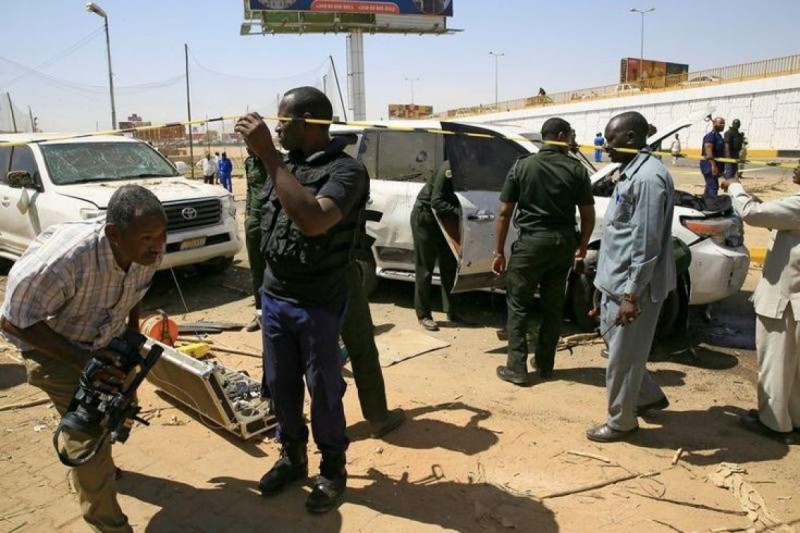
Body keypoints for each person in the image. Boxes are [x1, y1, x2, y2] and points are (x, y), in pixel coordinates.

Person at [0, 185, 167, 533]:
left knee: (119, 408)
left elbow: (136, 288)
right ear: (113, 234)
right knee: (87, 433)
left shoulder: (146, 251)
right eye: (148, 237)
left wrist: (132, 337)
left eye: (162, 234)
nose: (157, 245)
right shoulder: (65, 262)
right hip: (53, 348)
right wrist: (85, 362)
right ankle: (109, 523)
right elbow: (14, 320)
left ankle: (99, 461)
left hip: (104, 339)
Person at [235, 86, 368, 514]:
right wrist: (272, 158)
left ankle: (332, 468)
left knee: (324, 388)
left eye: (284, 119)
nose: (276, 127)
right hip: (276, 296)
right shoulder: (285, 165)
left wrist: (269, 156)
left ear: (310, 122)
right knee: (280, 386)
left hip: (318, 302)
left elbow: (312, 221)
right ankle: (292, 458)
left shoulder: (346, 172)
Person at [586, 111, 676, 443]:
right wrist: (601, 286)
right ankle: (648, 396)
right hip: (615, 282)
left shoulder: (649, 178)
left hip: (632, 288)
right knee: (621, 350)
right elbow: (619, 237)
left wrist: (631, 295)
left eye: (610, 140)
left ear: (631, 138)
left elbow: (645, 244)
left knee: (622, 360)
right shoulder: (630, 173)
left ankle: (622, 422)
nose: (604, 146)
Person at [493, 117, 596, 386]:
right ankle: (546, 364)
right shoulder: (577, 169)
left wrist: (498, 252)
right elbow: (588, 215)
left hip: (530, 245)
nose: (573, 140)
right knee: (552, 306)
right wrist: (582, 248)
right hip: (562, 245)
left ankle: (516, 367)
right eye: (571, 135)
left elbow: (504, 213)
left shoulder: (522, 166)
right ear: (560, 135)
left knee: (518, 304)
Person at [721, 168, 800, 439]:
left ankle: (774, 423)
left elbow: (752, 214)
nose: (797, 167)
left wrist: (734, 187)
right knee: (793, 366)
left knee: (775, 361)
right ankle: (793, 418)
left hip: (784, 300)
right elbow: (775, 217)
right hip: (793, 298)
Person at [411, 159, 467, 331]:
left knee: (449, 266)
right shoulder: (449, 168)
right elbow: (437, 201)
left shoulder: (466, 168)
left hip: (444, 219)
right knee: (425, 268)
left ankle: (453, 311)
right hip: (426, 218)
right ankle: (424, 315)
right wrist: (461, 211)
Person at [243, 147, 268, 332]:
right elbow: (249, 190)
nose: (247, 147)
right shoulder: (249, 163)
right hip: (254, 224)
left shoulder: (276, 160)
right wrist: (248, 214)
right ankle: (259, 314)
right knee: (256, 272)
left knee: (274, 270)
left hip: (271, 224)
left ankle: (275, 314)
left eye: (250, 141)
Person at [700, 117, 726, 199]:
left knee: (709, 186)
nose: (723, 125)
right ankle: (712, 205)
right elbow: (708, 150)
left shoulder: (719, 136)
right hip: (709, 166)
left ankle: (705, 202)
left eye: (723, 123)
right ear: (714, 124)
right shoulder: (710, 136)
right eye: (720, 123)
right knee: (713, 187)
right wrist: (713, 166)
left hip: (715, 166)